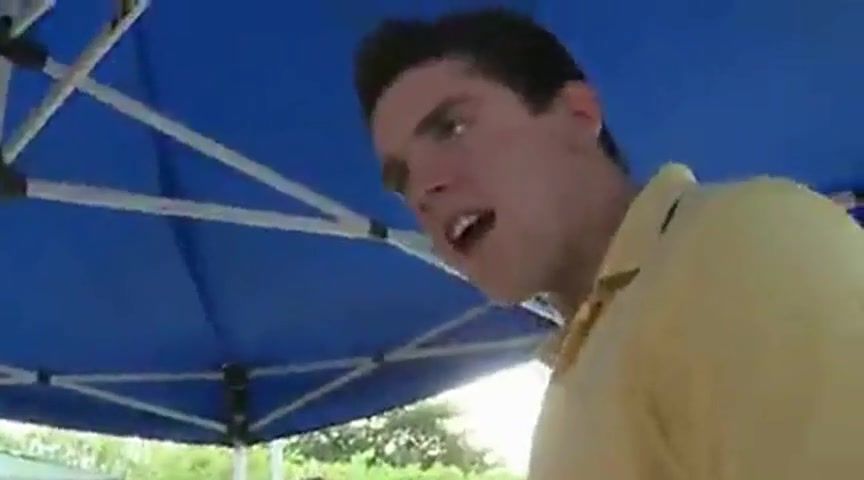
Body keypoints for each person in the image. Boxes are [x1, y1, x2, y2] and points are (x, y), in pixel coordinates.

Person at [353, 8, 864, 480]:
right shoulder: (574, 378)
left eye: (453, 127)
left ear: (578, 114)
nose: (422, 190)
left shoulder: (742, 240)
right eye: (402, 180)